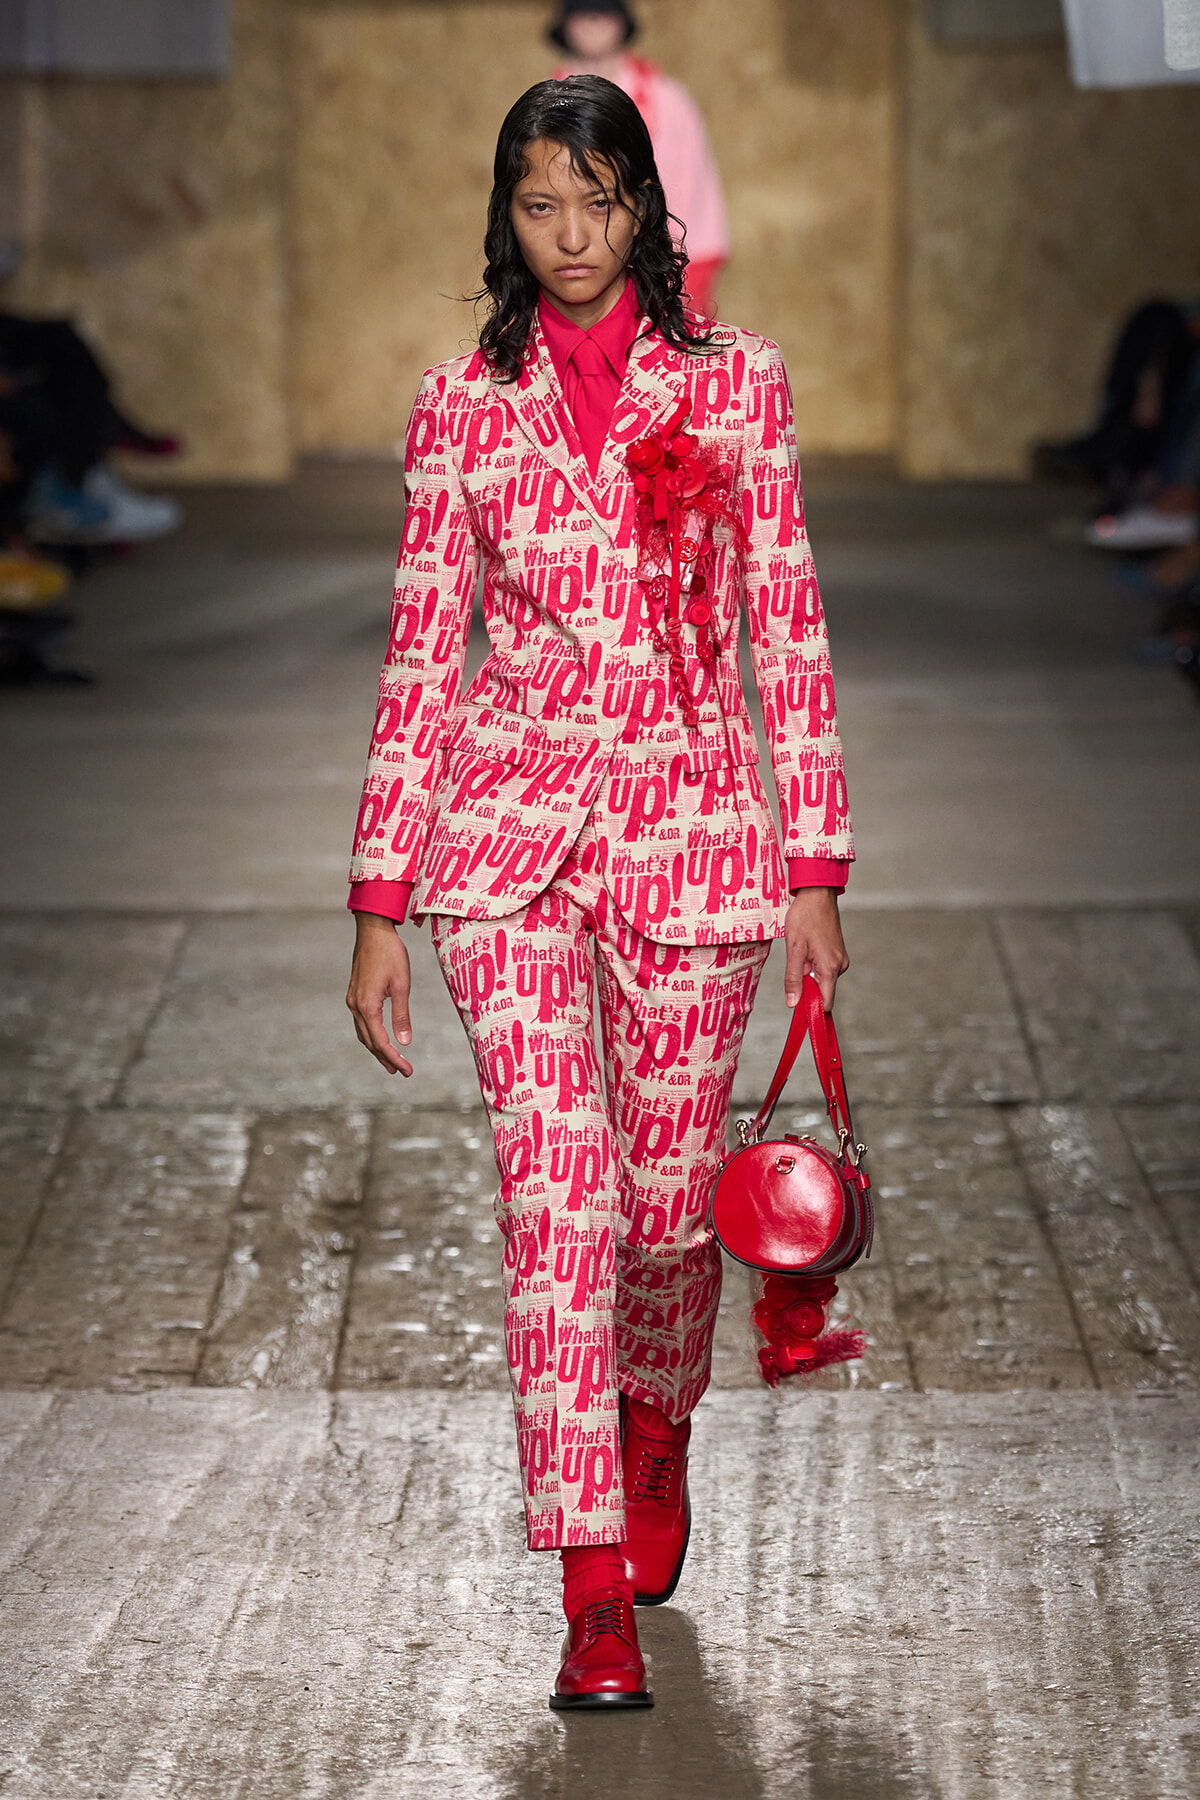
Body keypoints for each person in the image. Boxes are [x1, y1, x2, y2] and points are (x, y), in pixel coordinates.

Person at [345, 76, 852, 1711]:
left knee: (653, 1211)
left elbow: (786, 621)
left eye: (600, 202)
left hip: (700, 840)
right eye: (539, 204)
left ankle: (655, 1425)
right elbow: (427, 650)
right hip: (503, 853)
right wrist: (377, 892)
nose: (571, 236)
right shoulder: (460, 408)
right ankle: (589, 1598)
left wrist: (815, 862)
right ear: (505, 214)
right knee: (557, 1211)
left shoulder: (737, 387)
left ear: (648, 208)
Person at [549, 1, 730, 318]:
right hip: (575, 260)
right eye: (580, 12)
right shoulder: (546, 106)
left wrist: (670, 254)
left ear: (623, 21)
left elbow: (693, 185)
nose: (593, 21)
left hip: (669, 256)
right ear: (563, 23)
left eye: (604, 12)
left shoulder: (669, 99)